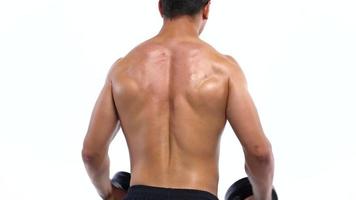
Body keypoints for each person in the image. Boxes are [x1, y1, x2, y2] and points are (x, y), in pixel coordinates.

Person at [81, 0, 275, 199]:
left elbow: (91, 153)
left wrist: (109, 193)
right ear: (206, 8)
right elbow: (259, 153)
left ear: (161, 7)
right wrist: (264, 196)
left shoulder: (123, 69)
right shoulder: (225, 70)